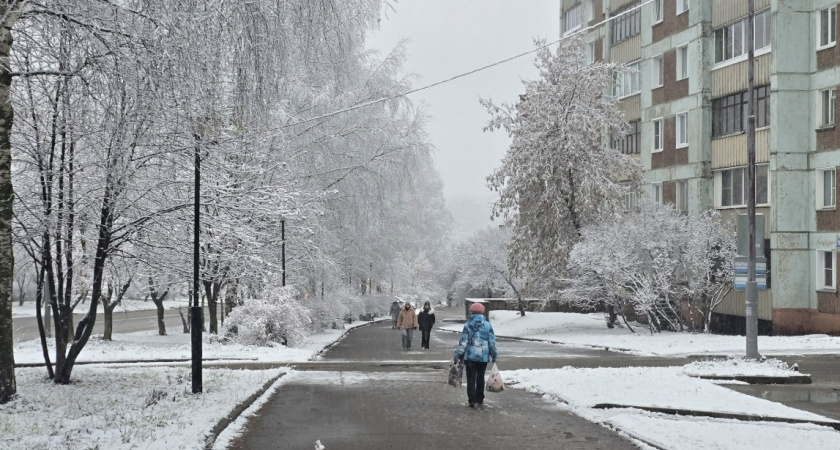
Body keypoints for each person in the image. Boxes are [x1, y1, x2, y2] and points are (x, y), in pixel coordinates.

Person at [453, 302, 497, 408]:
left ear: (471, 312)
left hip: (470, 356)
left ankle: (471, 400)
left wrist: (457, 355)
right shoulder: (487, 325)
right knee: (481, 377)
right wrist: (494, 355)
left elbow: (463, 342)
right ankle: (480, 399)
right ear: (483, 312)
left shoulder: (468, 325)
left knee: (471, 378)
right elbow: (492, 342)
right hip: (483, 357)